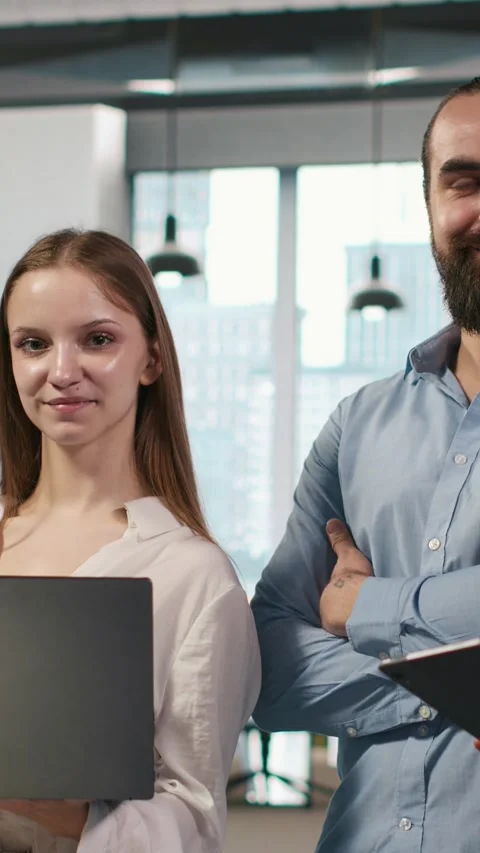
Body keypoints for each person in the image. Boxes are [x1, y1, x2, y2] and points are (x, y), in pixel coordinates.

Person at [251, 75, 480, 853]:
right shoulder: (358, 423)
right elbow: (271, 665)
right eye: (464, 181)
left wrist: (367, 609)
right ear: (429, 207)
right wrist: (461, 687)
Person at [0, 228, 261, 853]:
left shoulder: (192, 576)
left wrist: (35, 809)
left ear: (151, 358)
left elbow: (193, 823)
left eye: (97, 340)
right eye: (33, 344)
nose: (62, 372)